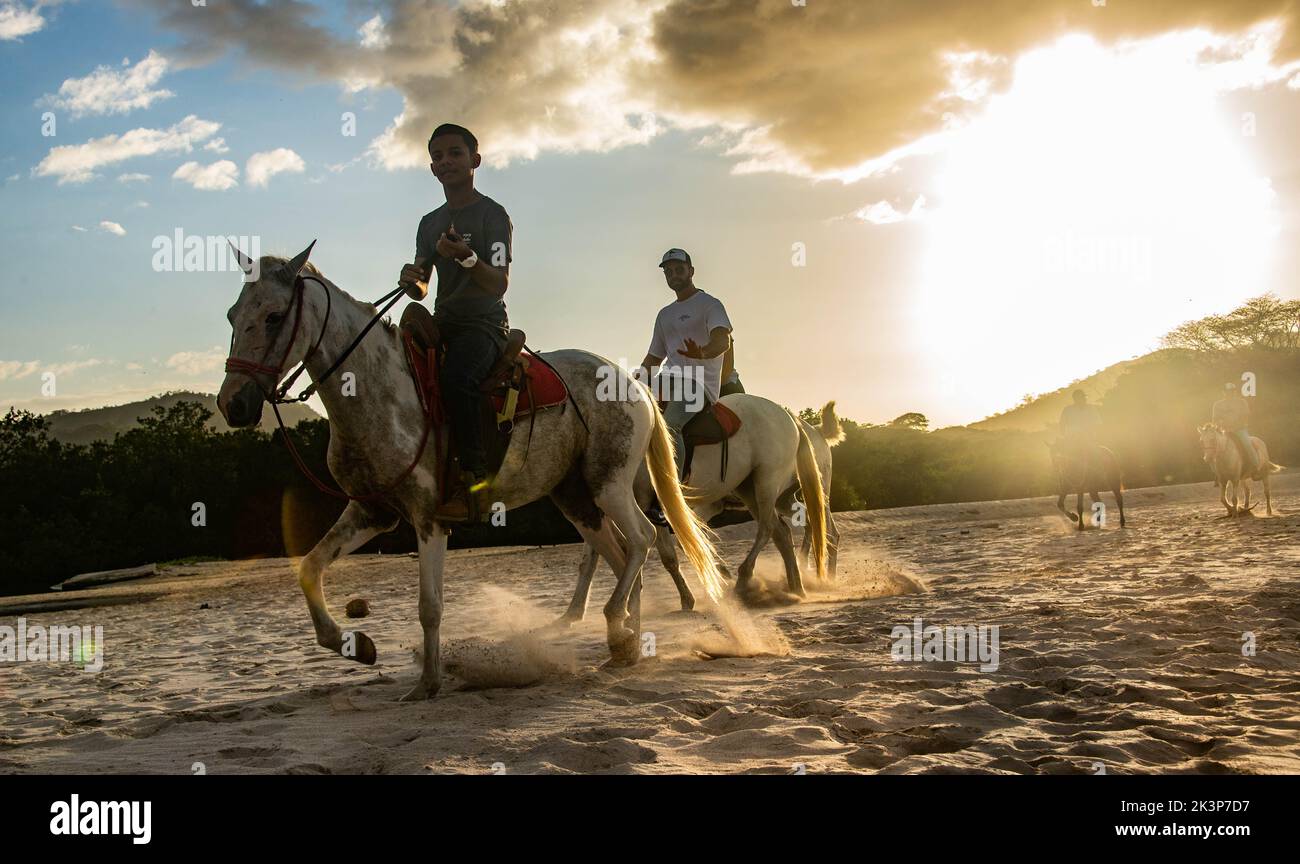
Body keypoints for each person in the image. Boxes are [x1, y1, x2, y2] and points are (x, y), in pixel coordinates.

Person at [397, 123, 513, 521]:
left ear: (474, 161)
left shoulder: (493, 215)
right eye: (437, 156)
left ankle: (474, 482)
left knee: (456, 379)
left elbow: (499, 283)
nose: (445, 161)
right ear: (432, 168)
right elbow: (424, 285)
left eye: (454, 153)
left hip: (485, 325)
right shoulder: (429, 223)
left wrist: (466, 257)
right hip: (442, 320)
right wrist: (412, 279)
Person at [638, 248, 734, 489]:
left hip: (698, 382)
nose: (673, 275)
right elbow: (653, 358)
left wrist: (701, 353)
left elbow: (722, 340)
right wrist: (633, 382)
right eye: (668, 271)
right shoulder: (664, 315)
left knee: (670, 425)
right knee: (626, 413)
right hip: (667, 378)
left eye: (678, 269)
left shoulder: (710, 305)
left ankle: (673, 491)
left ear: (691, 271)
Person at [1212, 381, 1260, 478]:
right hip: (1224, 431)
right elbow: (1214, 419)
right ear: (1223, 392)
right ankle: (1217, 474)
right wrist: (1220, 425)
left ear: (1234, 392)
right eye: (1227, 391)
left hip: (1239, 430)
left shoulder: (1241, 402)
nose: (1229, 393)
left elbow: (1245, 416)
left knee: (1247, 444)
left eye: (1231, 391)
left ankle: (1256, 468)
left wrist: (1236, 426)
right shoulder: (1217, 405)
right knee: (1212, 448)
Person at [1057, 389, 1102, 474]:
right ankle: (1064, 475)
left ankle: (1100, 471)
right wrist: (1064, 435)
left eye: (1083, 397)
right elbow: (1062, 424)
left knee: (1095, 453)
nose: (1082, 399)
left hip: (1089, 437)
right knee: (1063, 456)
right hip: (1071, 438)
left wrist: (1091, 432)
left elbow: (1098, 423)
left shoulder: (1091, 408)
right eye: (1079, 398)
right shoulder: (1068, 410)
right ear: (1075, 399)